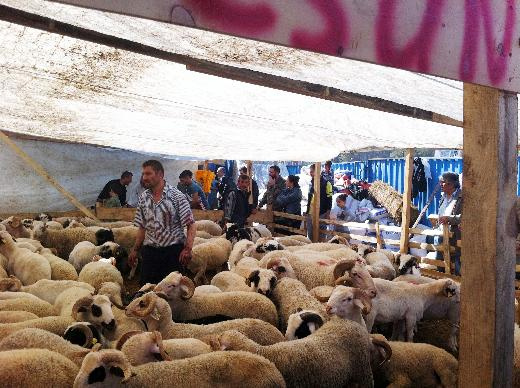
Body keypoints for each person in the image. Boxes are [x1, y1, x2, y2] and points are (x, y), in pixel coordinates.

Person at [129, 160, 195, 286]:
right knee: (146, 291)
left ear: (160, 174)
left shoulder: (177, 196)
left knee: (171, 293)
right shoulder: (143, 198)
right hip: (150, 253)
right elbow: (142, 227)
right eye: (143, 174)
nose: (144, 178)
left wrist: (187, 249)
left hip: (172, 254)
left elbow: (191, 224)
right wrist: (135, 249)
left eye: (148, 174)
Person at [429, 172, 462, 275]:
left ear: (451, 184)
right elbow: (441, 213)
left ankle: (458, 285)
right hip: (441, 236)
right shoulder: (443, 197)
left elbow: (466, 216)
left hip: (455, 236)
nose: (440, 185)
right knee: (440, 263)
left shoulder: (462, 197)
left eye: (443, 182)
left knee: (458, 264)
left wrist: (449, 219)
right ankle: (441, 285)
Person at [306, 164, 333, 240]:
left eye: (312, 172)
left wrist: (328, 212)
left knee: (321, 235)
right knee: (310, 234)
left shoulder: (327, 183)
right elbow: (309, 198)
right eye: (310, 172)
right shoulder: (311, 183)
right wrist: (307, 211)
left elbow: (329, 199)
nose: (311, 174)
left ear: (318, 171)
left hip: (322, 213)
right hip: (310, 213)